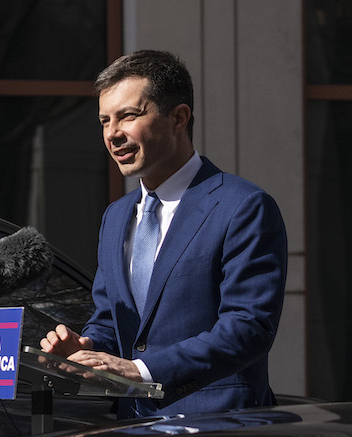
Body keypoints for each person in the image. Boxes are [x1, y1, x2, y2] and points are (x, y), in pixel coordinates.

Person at [42, 50, 287, 417]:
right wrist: (88, 344)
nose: (113, 134)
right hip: (132, 432)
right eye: (105, 121)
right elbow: (113, 318)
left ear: (179, 118)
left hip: (221, 432)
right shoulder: (116, 216)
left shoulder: (243, 206)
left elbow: (248, 327)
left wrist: (142, 371)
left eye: (128, 116)